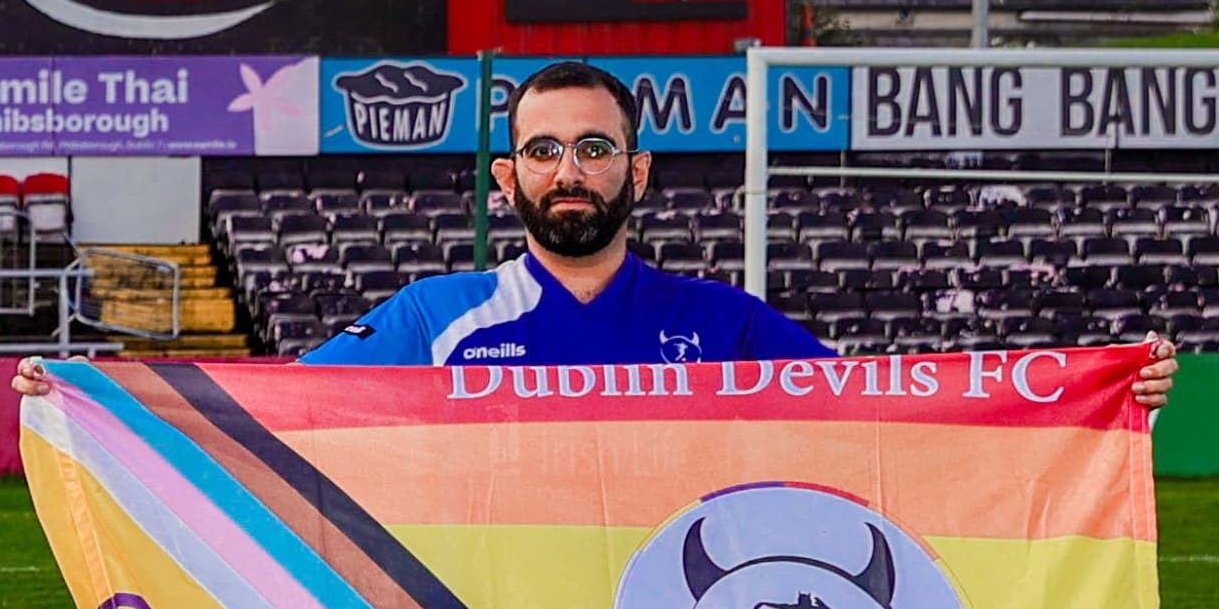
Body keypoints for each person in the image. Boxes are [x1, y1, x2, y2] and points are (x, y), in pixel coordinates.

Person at [301, 57, 832, 367]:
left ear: (638, 173)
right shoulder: (432, 317)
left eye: (595, 150)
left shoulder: (725, 322)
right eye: (542, 150)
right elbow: (275, 418)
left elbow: (869, 418)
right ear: (508, 179)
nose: (568, 173)